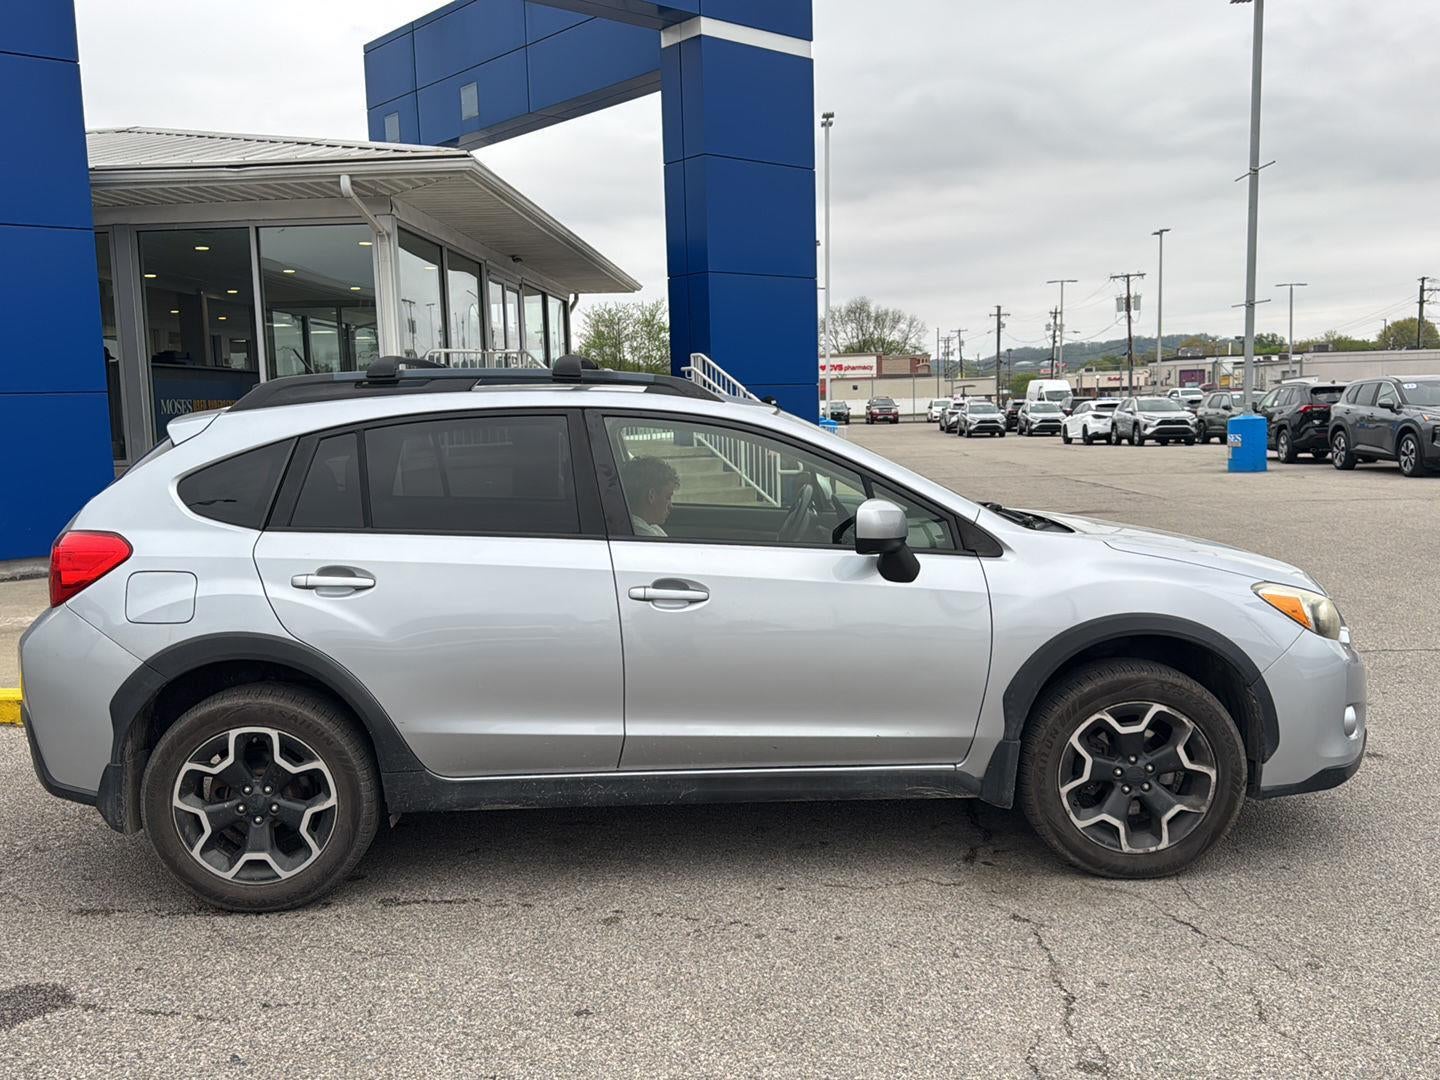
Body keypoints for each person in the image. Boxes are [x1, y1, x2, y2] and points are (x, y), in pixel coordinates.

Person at [622, 456, 680, 537]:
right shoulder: (644, 535)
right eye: (668, 497)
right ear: (651, 496)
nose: (671, 505)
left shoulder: (651, 527)